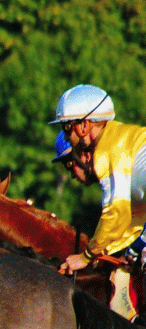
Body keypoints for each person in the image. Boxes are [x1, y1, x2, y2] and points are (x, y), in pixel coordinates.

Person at [50, 85, 146, 279]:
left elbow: (115, 213)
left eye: (66, 129)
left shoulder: (105, 151)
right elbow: (133, 217)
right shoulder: (121, 138)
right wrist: (103, 251)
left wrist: (86, 257)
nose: (68, 137)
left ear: (84, 126)